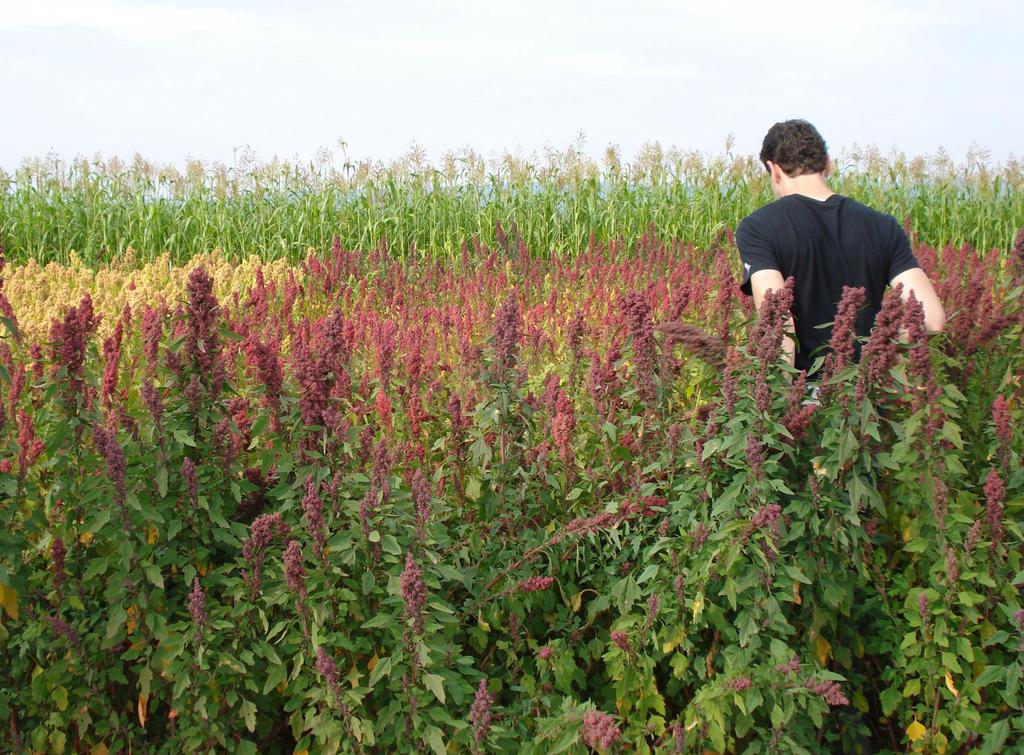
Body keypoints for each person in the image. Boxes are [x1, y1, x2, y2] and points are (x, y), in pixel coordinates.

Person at [735, 119, 945, 375]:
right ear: (828, 163)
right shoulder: (883, 225)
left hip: (804, 400)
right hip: (867, 399)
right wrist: (878, 352)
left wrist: (778, 407)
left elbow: (779, 327)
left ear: (774, 169)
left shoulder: (758, 227)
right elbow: (932, 320)